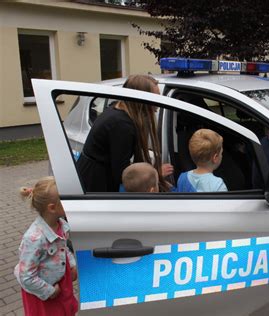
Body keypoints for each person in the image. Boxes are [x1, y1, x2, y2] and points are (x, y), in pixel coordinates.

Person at [77, 74, 173, 192]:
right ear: (141, 99)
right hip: (96, 183)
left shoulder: (118, 111)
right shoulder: (122, 125)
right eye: (155, 98)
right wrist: (155, 175)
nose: (158, 104)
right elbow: (123, 174)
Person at [14, 177, 78, 316]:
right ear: (52, 208)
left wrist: (71, 265)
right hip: (45, 293)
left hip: (60, 282)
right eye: (66, 201)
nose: (72, 203)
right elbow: (26, 276)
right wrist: (49, 291)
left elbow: (64, 248)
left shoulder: (61, 225)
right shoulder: (34, 239)